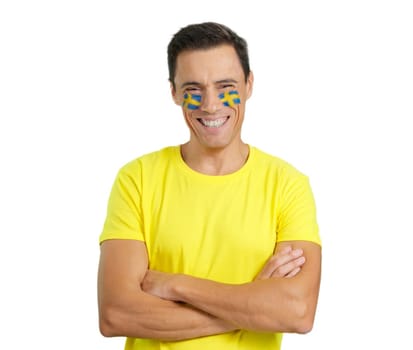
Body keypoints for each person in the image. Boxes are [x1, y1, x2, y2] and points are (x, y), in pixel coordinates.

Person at [97, 22, 322, 350]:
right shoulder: (136, 179)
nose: (211, 104)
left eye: (225, 86)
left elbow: (298, 312)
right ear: (174, 92)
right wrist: (253, 303)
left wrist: (177, 285)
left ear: (249, 84)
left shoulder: (288, 185)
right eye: (193, 89)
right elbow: (115, 314)